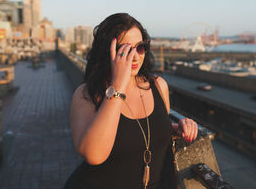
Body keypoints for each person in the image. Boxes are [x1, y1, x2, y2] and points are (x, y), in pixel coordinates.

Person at [64, 13, 198, 189]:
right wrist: (118, 85)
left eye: (140, 47)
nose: (135, 57)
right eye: (126, 49)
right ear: (107, 51)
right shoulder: (87, 94)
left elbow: (141, 132)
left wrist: (174, 128)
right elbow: (93, 155)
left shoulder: (158, 86)